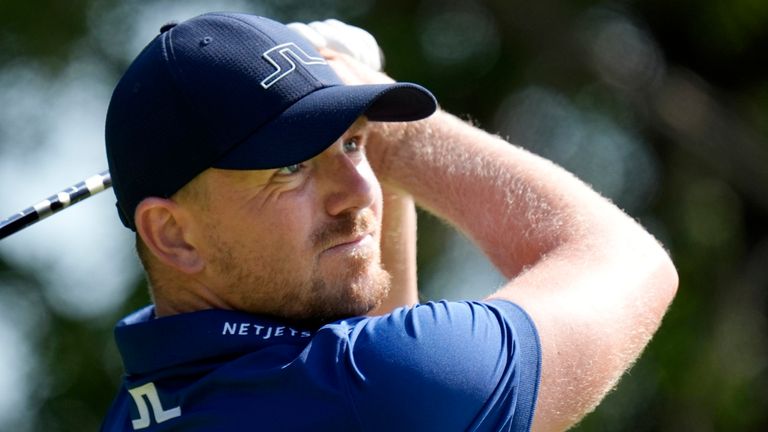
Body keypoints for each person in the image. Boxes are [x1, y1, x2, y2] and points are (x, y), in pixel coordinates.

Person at [101, 12, 678, 432]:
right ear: (173, 234)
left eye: (354, 145)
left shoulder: (137, 408)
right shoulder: (379, 383)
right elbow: (627, 259)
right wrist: (401, 141)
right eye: (293, 167)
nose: (357, 193)